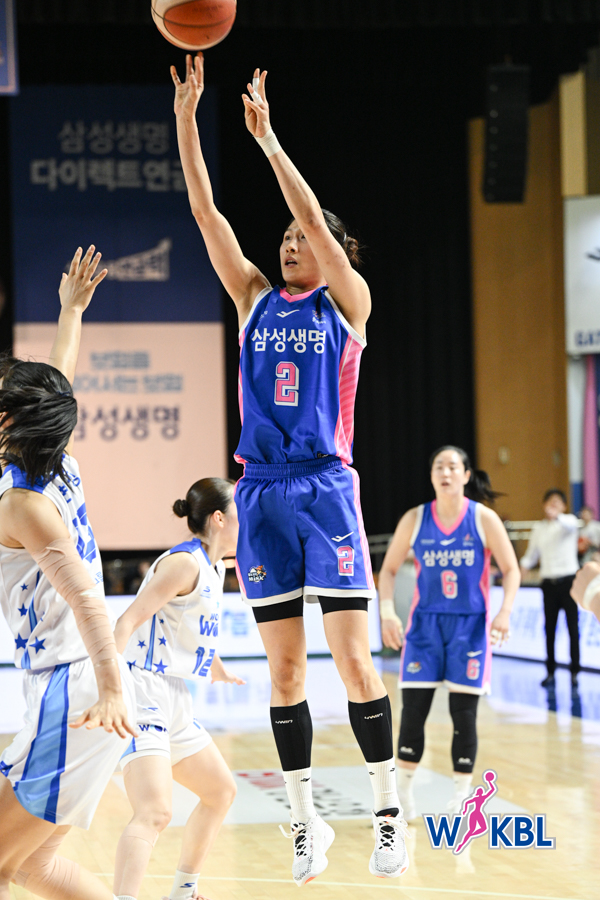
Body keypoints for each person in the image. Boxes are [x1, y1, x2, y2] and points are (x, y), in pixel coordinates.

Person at [171, 53, 407, 883]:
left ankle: (388, 816)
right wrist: (188, 121)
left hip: (326, 487)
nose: (290, 241)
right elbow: (205, 212)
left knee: (354, 663)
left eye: (303, 237)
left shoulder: (348, 304)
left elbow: (307, 209)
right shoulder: (252, 298)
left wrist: (269, 141)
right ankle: (307, 824)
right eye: (284, 238)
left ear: (334, 251)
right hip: (263, 493)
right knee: (284, 668)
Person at [0, 246, 137, 900]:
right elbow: (59, 382)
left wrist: (110, 692)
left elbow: (87, 600)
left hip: (77, 690)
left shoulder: (24, 505)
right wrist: (71, 311)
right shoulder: (52, 457)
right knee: (34, 867)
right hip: (61, 686)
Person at [112, 478, 243, 900]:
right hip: (141, 691)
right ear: (219, 518)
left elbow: (186, 624)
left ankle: (184, 891)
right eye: (242, 508)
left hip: (174, 696)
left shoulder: (215, 565)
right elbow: (126, 622)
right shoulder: (184, 564)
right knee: (154, 811)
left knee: (220, 791)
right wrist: (110, 689)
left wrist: (216, 667)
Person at [377, 446, 519, 821]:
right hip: (425, 627)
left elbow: (512, 569)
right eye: (439, 466)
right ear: (431, 475)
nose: (445, 472)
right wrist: (387, 611)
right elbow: (388, 570)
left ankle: (461, 797)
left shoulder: (482, 518)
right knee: (412, 714)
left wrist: (504, 611)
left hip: (469, 627)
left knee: (464, 716)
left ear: (466, 475)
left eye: (453, 467)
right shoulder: (415, 518)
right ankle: (403, 795)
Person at [520, 489, 580, 688]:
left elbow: (570, 524)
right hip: (548, 584)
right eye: (549, 502)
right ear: (544, 504)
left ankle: (574, 671)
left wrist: (557, 516)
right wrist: (521, 568)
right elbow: (531, 555)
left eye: (557, 502)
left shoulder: (568, 522)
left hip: (569, 582)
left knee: (573, 629)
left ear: (563, 506)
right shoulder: (538, 528)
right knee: (550, 629)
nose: (552, 506)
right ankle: (550, 671)